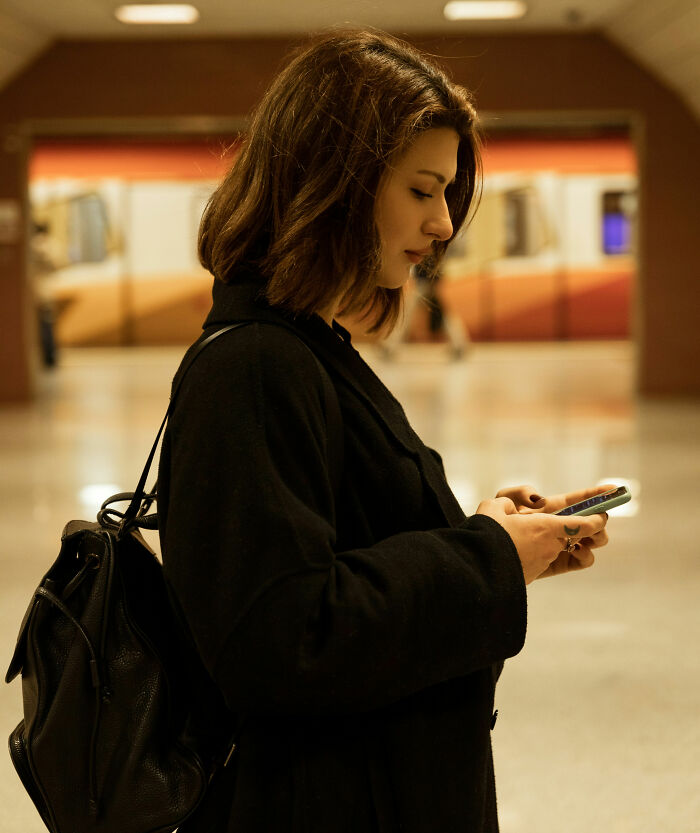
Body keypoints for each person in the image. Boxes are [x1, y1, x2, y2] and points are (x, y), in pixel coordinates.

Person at [158, 29, 610, 833]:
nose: (443, 225)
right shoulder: (255, 368)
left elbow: (338, 547)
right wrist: (486, 559)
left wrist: (493, 535)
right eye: (423, 189)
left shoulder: (309, 346)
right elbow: (283, 638)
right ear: (336, 182)